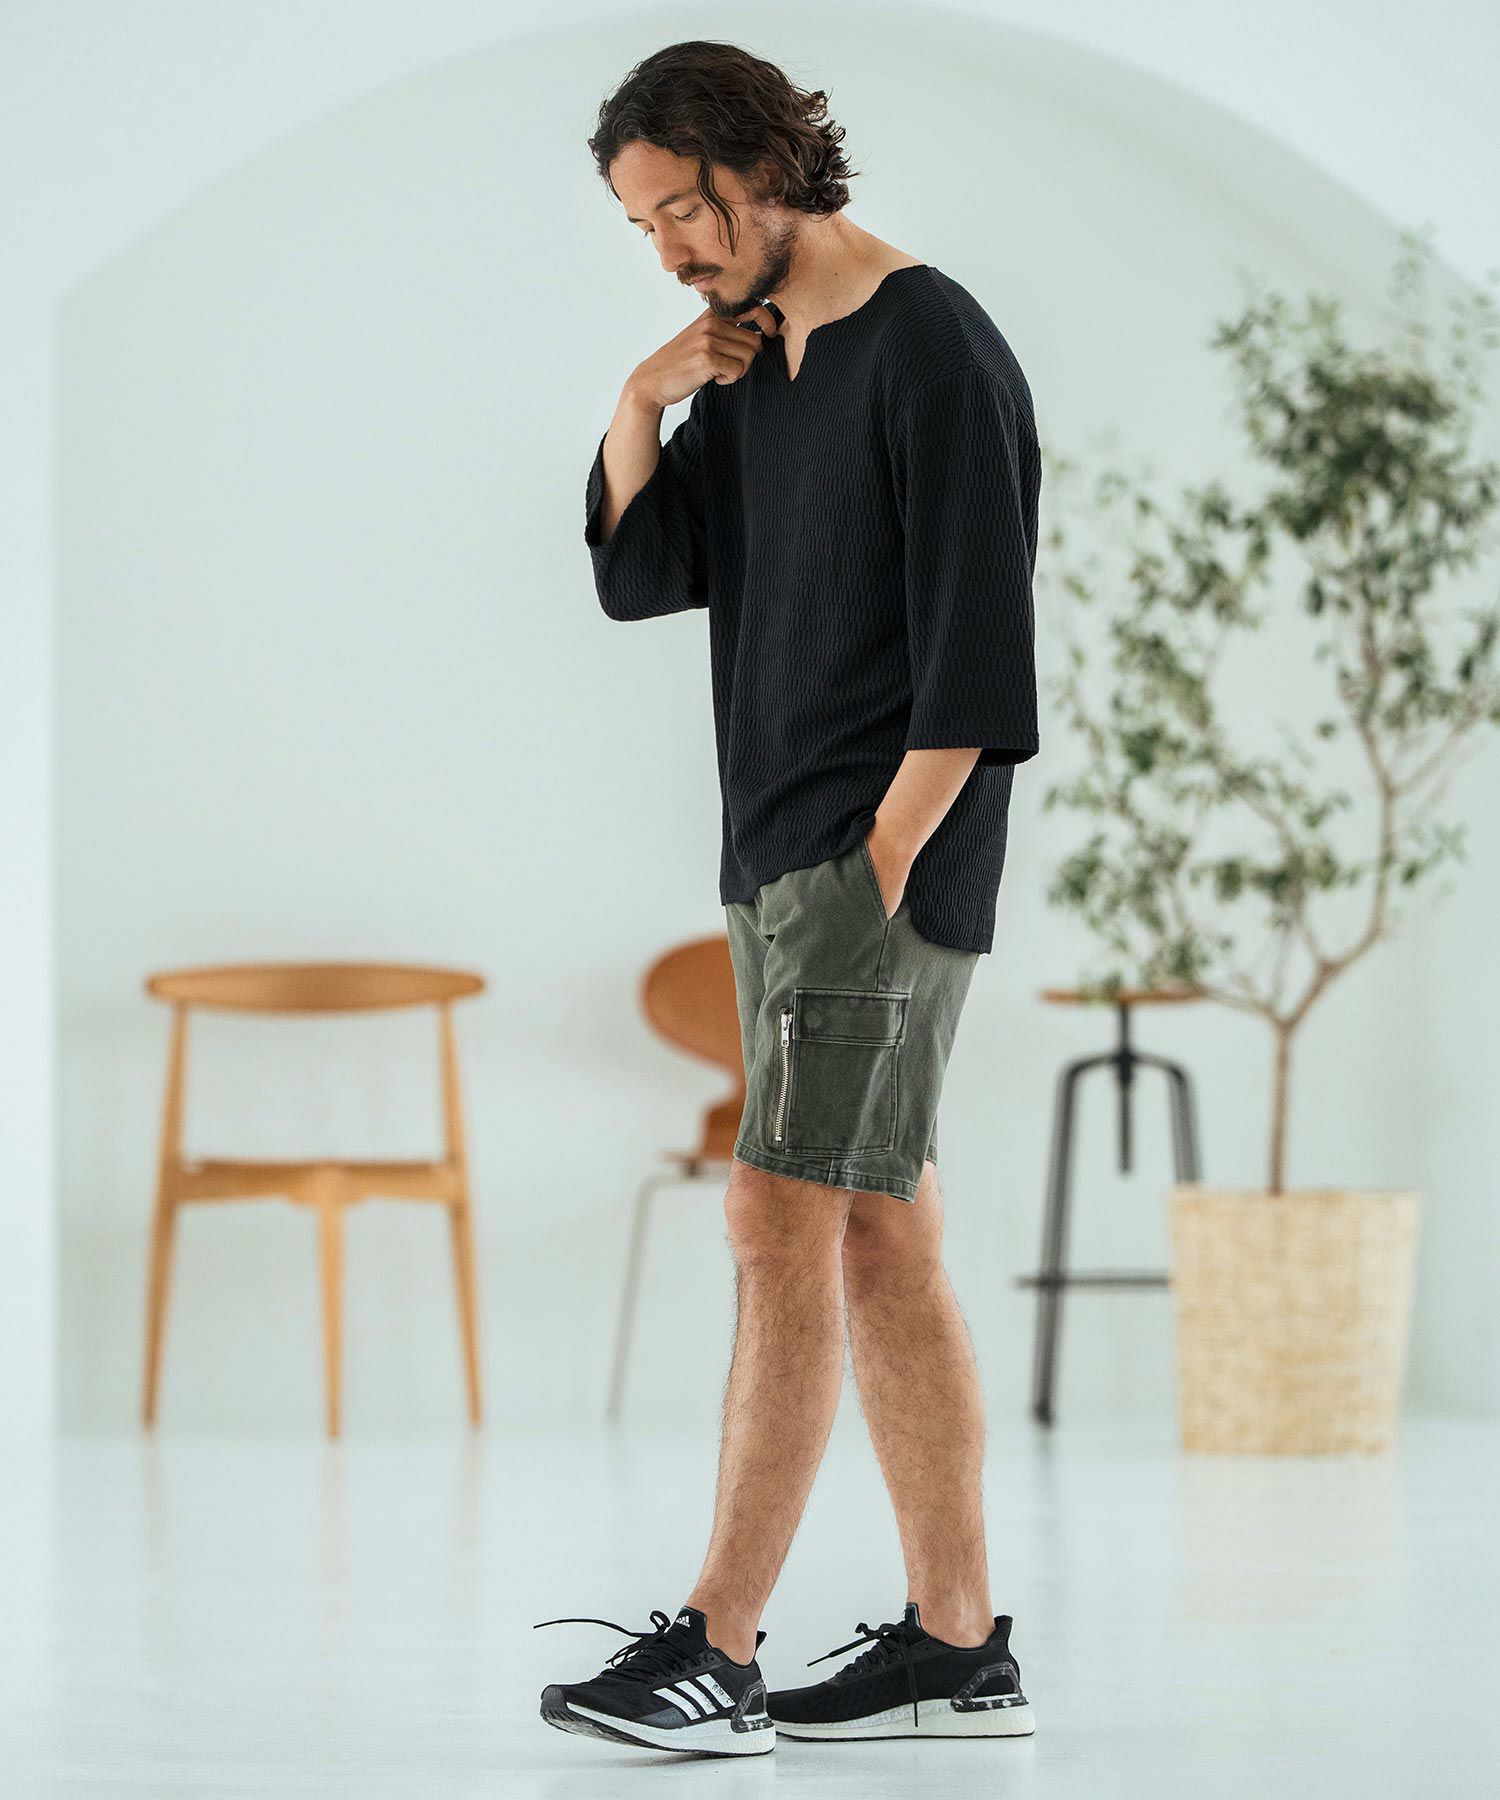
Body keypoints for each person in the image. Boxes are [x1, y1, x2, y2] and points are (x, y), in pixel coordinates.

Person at [537, 40, 1041, 1757]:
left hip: (868, 859)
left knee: (777, 1221)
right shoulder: (751, 365)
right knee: (884, 1230)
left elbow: (982, 650)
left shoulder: (932, 346)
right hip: (774, 855)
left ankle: (721, 1647)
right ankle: (958, 1650)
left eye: (685, 208)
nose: (671, 246)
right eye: (644, 226)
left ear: (766, 164)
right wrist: (645, 399)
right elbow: (646, 574)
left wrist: (880, 863)